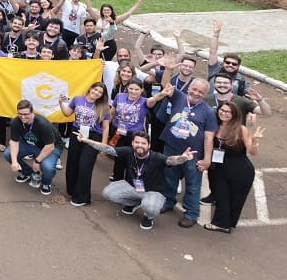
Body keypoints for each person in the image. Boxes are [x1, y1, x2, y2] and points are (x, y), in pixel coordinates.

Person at [75, 130, 196, 231]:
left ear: (149, 145)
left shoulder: (156, 157)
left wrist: (183, 158)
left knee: (150, 206)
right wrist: (86, 140)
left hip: (154, 191)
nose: (140, 145)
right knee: (108, 193)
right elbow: (107, 149)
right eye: (137, 142)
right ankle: (133, 203)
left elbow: (171, 160)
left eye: (143, 143)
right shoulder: (129, 152)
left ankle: (148, 217)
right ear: (132, 143)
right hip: (134, 187)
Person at [155, 75, 218, 228]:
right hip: (172, 147)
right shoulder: (179, 97)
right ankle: (168, 201)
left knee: (193, 185)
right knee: (169, 177)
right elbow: (166, 85)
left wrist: (207, 159)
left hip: (193, 155)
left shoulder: (208, 112)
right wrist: (169, 68)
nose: (196, 93)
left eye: (201, 92)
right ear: (189, 88)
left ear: (205, 94)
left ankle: (191, 214)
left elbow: (209, 138)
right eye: (194, 89)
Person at [205, 101, 265, 233]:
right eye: (222, 110)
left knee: (236, 198)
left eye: (228, 112)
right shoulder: (213, 125)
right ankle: (222, 223)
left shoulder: (241, 129)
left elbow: (252, 152)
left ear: (234, 114)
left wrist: (255, 141)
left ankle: (226, 223)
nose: (224, 113)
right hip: (218, 168)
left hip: (240, 169)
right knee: (221, 196)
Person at [60, 81, 112, 207]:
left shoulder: (104, 107)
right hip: (76, 133)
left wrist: (103, 146)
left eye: (100, 92)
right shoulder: (77, 99)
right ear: (90, 89)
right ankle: (72, 190)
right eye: (95, 90)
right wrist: (61, 103)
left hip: (93, 136)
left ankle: (82, 197)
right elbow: (67, 113)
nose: (96, 93)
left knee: (85, 165)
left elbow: (105, 127)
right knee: (73, 163)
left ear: (102, 95)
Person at [4, 100, 62, 196]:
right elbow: (14, 142)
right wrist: (14, 161)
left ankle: (46, 183)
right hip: (31, 143)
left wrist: (37, 161)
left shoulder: (43, 123)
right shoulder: (15, 122)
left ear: (32, 112)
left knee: (47, 167)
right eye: (20, 114)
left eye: (26, 114)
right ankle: (27, 172)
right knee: (8, 154)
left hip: (51, 146)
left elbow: (50, 146)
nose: (23, 117)